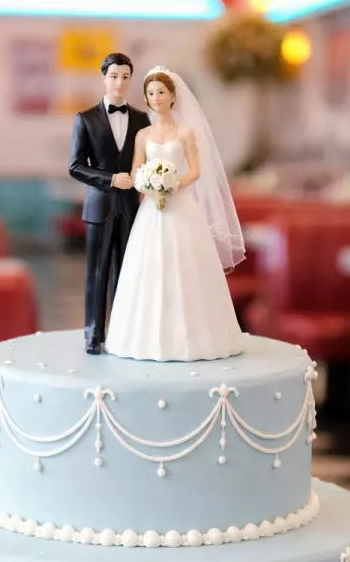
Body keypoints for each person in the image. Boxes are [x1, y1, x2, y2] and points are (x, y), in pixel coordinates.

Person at [104, 67, 245, 362]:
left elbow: (195, 170)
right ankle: (144, 337)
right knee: (150, 266)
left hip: (181, 206)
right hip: (151, 211)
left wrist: (173, 183)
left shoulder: (185, 132)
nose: (156, 98)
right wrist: (148, 184)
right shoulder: (143, 135)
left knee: (187, 265)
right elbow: (136, 169)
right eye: (151, 93)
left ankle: (196, 337)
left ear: (172, 97)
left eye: (161, 93)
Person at [68, 53, 151, 354]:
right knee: (97, 274)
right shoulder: (86, 119)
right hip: (100, 208)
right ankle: (93, 333)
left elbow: (149, 160)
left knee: (126, 273)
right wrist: (110, 179)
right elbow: (75, 166)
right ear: (103, 77)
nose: (119, 83)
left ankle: (122, 332)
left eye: (125, 77)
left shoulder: (143, 119)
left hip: (132, 208)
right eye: (114, 76)